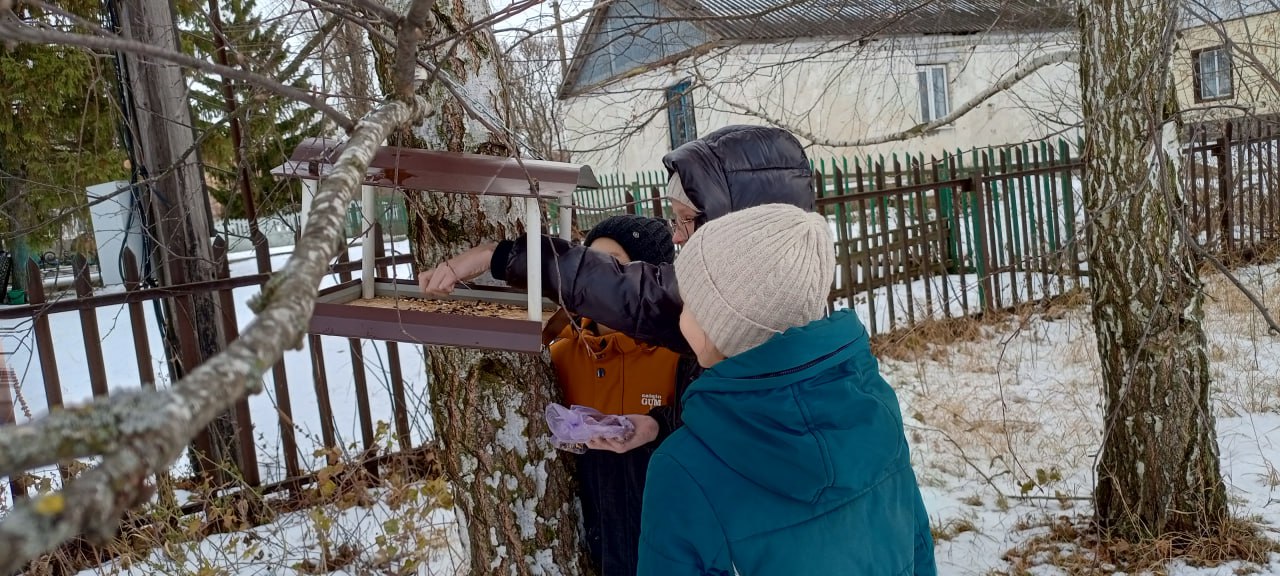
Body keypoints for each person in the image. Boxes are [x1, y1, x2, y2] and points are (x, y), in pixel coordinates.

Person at [419, 125, 815, 451]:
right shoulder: (776, 323)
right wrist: (658, 424)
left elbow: (637, 295)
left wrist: (500, 256)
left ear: (732, 223)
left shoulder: (748, 324)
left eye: (687, 220)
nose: (677, 238)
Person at [637, 203, 936, 575]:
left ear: (725, 326)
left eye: (692, 300)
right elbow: (918, 547)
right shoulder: (874, 407)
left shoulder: (681, 471)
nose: (680, 308)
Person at [547, 215, 695, 576]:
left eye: (616, 270)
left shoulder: (683, 350)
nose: (600, 283)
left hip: (671, 546)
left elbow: (710, 431)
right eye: (590, 266)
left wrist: (658, 427)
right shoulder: (560, 353)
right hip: (591, 551)